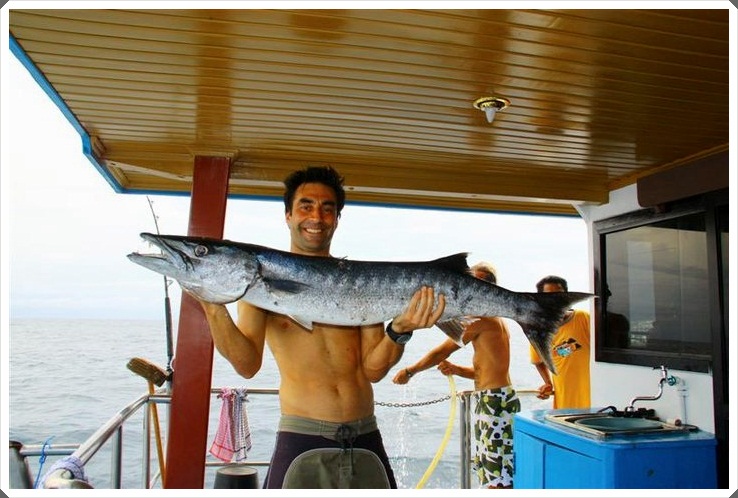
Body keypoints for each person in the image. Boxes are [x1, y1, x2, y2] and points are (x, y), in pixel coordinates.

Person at [197, 166, 446, 489]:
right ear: (288, 216)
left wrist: (399, 330)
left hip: (366, 436)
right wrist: (211, 304)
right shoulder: (260, 286)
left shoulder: (360, 283)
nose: (316, 217)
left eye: (327, 209)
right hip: (301, 438)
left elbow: (373, 370)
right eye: (306, 206)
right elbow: (247, 365)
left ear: (337, 219)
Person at [393, 262, 520, 489]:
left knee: (497, 472)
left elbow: (442, 351)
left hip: (494, 403)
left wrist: (410, 371)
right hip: (497, 398)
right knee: (497, 468)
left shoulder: (482, 319)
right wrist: (457, 370)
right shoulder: (497, 321)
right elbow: (490, 371)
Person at [530, 275, 591, 409]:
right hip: (565, 400)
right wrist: (548, 383)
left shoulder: (584, 318)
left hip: (593, 397)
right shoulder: (538, 330)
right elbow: (538, 361)